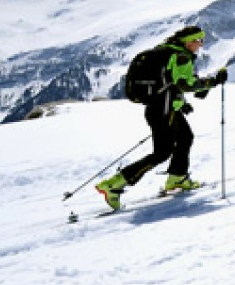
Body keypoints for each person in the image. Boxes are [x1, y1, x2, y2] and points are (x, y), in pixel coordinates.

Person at [95, 25, 227, 210]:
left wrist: (181, 103)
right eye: (199, 41)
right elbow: (186, 84)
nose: (201, 45)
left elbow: (169, 84)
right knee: (162, 153)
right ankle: (114, 184)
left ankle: (177, 177)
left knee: (185, 138)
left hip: (162, 108)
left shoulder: (167, 51)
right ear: (188, 42)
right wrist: (213, 81)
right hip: (164, 112)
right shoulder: (180, 57)